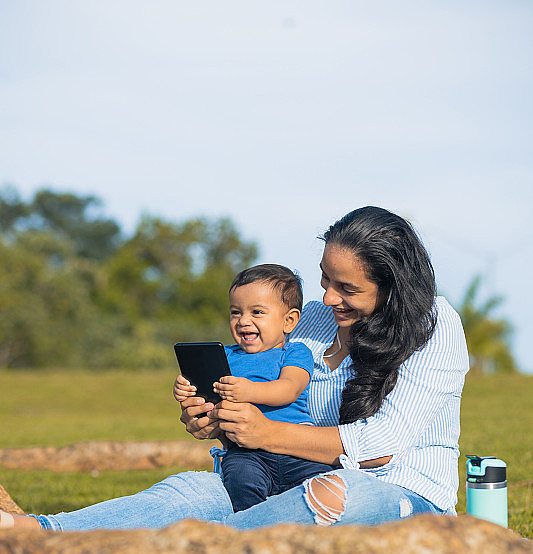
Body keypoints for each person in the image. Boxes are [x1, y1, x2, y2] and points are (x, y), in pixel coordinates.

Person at [1, 206, 469, 534]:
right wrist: (215, 418)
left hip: (401, 496)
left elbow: (382, 445)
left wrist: (265, 433)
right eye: (325, 279)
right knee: (193, 491)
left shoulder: (435, 325)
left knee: (335, 494)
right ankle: (37, 533)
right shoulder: (309, 319)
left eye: (346, 288)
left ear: (391, 287)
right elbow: (264, 395)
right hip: (284, 475)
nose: (327, 297)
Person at [173, 264, 334, 511]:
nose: (243, 321)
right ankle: (252, 524)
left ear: (289, 321)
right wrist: (187, 390)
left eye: (257, 312)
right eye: (235, 312)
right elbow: (207, 396)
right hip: (246, 451)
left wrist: (249, 392)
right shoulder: (225, 356)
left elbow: (289, 388)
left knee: (325, 484)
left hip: (297, 448)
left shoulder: (294, 352)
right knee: (240, 482)